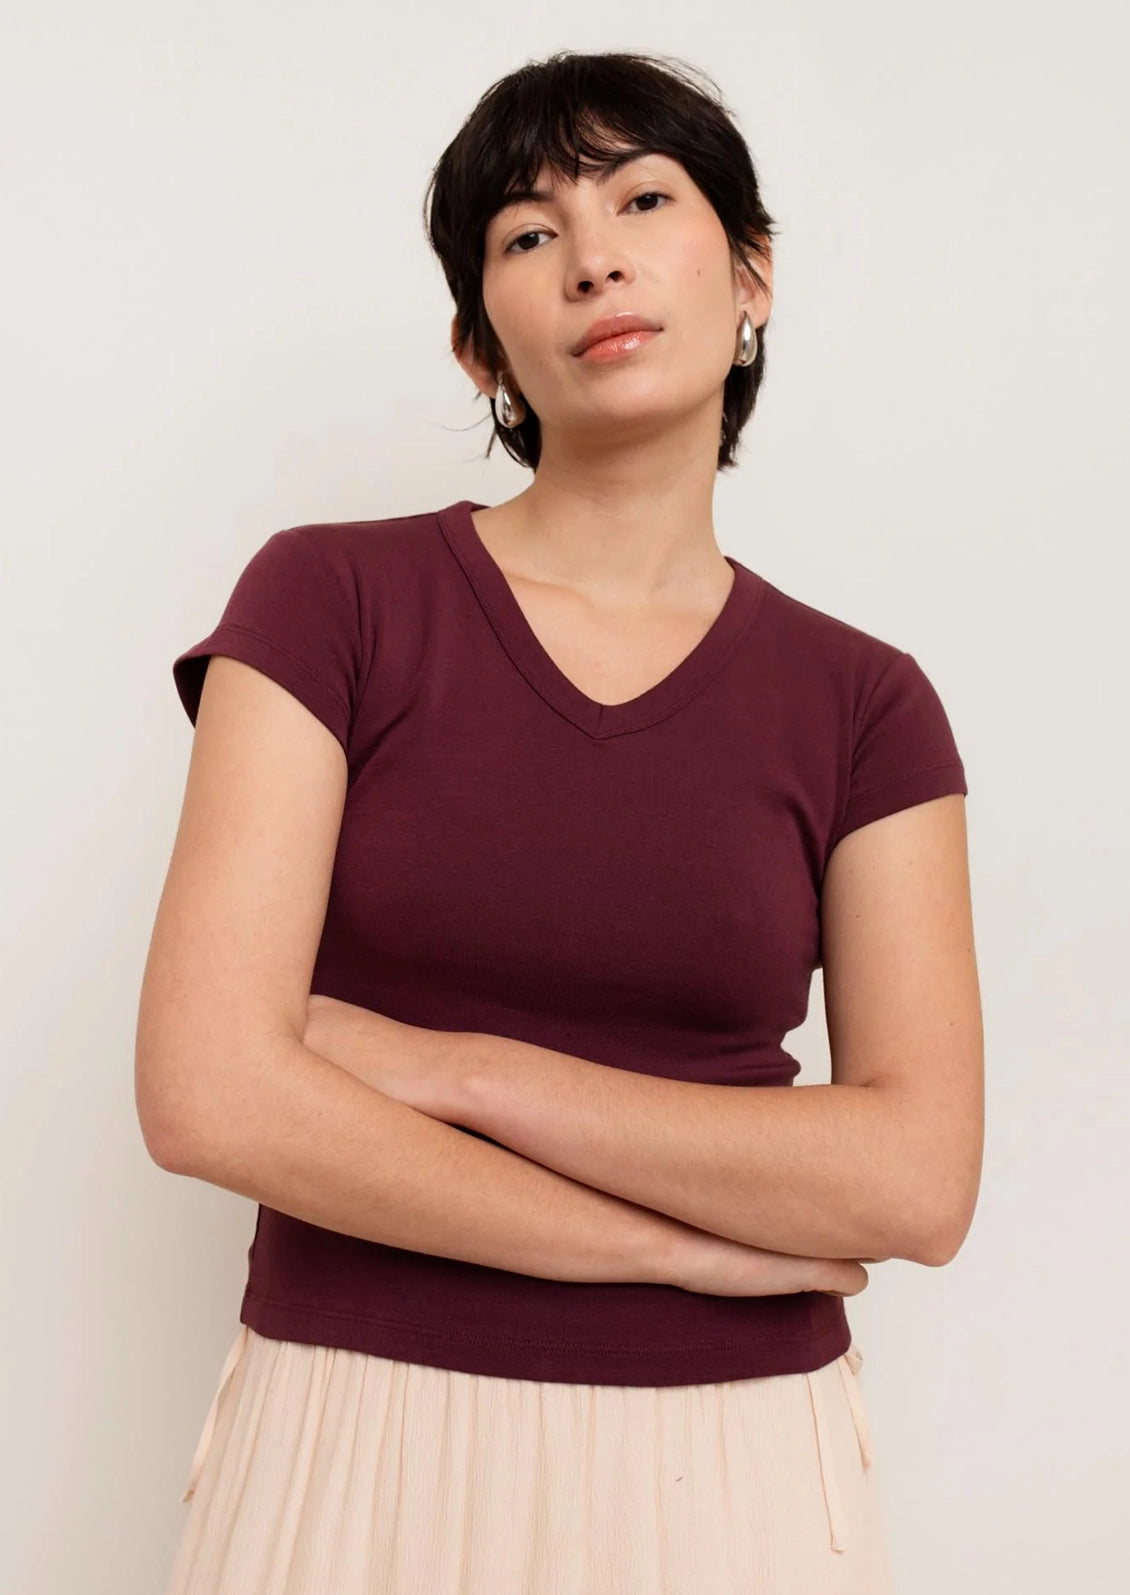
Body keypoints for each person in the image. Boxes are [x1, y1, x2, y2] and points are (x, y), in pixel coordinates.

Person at [139, 49, 983, 1595]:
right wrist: (674, 1249)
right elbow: (210, 1094)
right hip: (354, 1427)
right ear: (481, 352)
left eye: (641, 199)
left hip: (735, 1466)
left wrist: (450, 1071)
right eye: (528, 234)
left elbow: (914, 1180)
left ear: (750, 278)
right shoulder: (331, 600)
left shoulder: (867, 703)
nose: (590, 251)